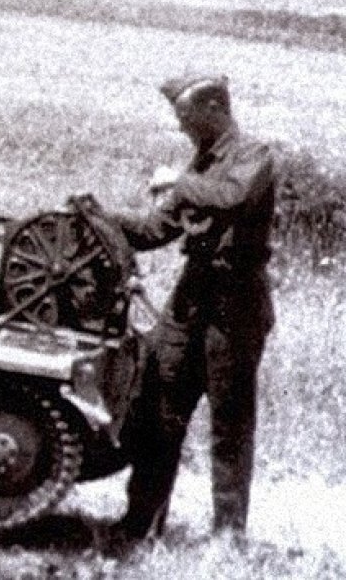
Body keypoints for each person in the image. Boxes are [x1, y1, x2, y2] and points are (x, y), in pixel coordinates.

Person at [108, 73, 277, 550]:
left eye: (185, 118)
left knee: (229, 424)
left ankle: (227, 537)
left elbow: (231, 197)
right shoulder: (199, 164)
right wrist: (102, 218)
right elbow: (153, 231)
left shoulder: (254, 156)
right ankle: (140, 523)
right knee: (157, 408)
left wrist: (178, 183)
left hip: (236, 306)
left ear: (214, 108)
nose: (180, 127)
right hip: (191, 299)